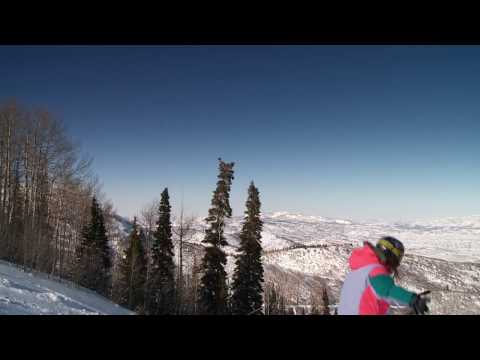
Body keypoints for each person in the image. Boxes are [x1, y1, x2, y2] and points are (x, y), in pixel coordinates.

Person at [338, 236, 430, 315]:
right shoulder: (375, 270)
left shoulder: (356, 272)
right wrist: (412, 299)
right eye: (398, 257)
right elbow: (388, 291)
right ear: (390, 255)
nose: (397, 264)